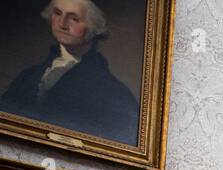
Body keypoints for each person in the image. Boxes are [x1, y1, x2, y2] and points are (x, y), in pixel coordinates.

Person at [0, 0, 141, 145]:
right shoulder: (29, 76)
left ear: (94, 27)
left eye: (74, 19)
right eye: (57, 13)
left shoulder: (113, 92)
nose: (62, 24)